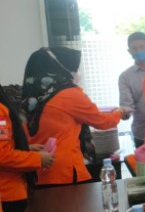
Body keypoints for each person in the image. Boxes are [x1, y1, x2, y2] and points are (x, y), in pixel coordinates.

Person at [22, 47, 128, 186]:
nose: (77, 73)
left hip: (34, 169)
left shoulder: (31, 94)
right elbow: (102, 122)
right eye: (74, 68)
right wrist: (119, 112)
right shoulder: (69, 94)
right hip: (63, 171)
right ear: (61, 68)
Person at [0, 83, 54, 212]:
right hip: (8, 194)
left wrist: (26, 148)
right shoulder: (0, 113)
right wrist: (37, 159)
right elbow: (2, 156)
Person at [119, 32, 145, 148]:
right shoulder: (125, 76)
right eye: (134, 48)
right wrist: (123, 113)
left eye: (142, 47)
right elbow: (127, 105)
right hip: (142, 134)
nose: (138, 51)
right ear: (129, 51)